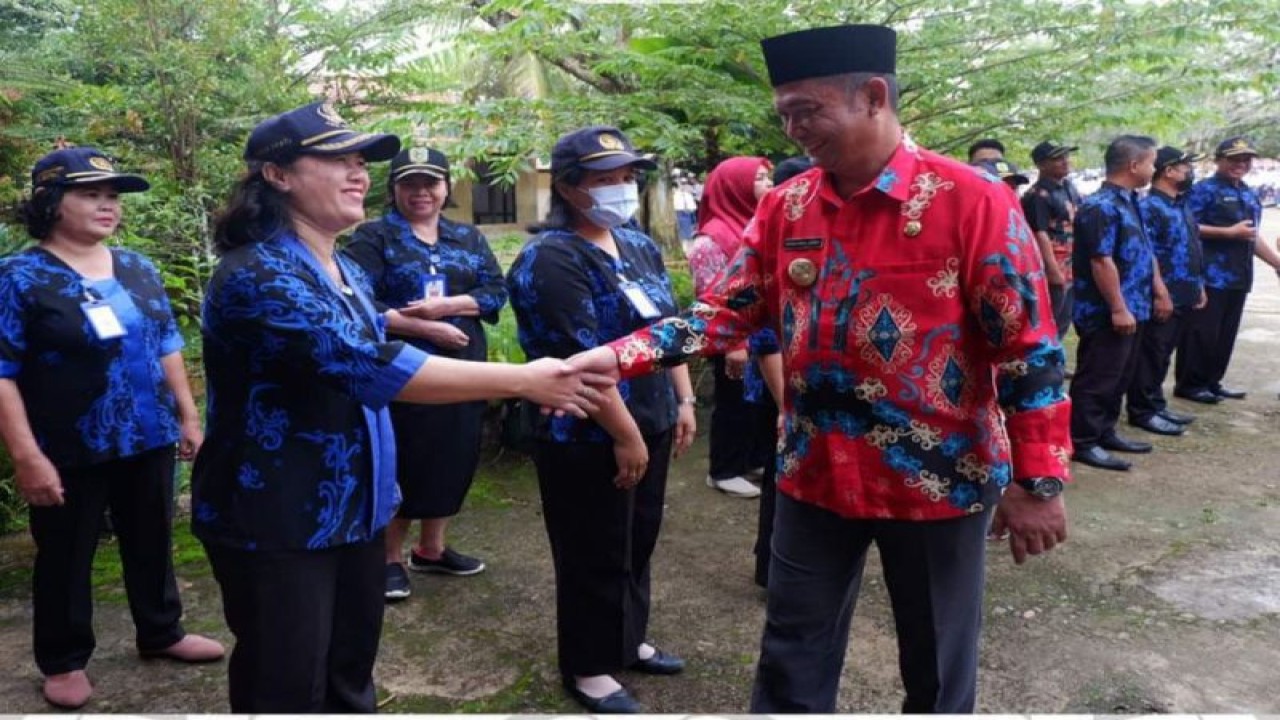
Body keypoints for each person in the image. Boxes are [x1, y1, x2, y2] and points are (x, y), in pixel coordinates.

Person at [569, 25, 1071, 713]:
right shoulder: (786, 205)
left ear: (872, 96)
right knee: (791, 652)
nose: (795, 130)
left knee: (937, 662)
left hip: (937, 480)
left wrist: (1038, 482)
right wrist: (617, 357)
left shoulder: (972, 201)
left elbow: (1028, 348)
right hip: (814, 472)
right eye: (784, 116)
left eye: (807, 111)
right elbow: (727, 312)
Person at [192, 101, 608, 713]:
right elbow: (365, 365)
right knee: (285, 683)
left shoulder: (338, 267)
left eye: (360, 160)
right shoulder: (257, 272)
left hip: (357, 508)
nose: (358, 172)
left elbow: (374, 347)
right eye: (337, 159)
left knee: (349, 674)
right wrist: (523, 378)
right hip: (280, 517)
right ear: (276, 174)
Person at [0, 147, 225, 709]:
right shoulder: (19, 277)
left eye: (112, 197)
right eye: (90, 194)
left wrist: (188, 413)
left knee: (152, 538)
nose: (107, 206)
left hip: (148, 437)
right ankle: (63, 658)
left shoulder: (136, 267)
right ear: (51, 203)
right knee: (66, 553)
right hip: (68, 446)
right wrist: (27, 456)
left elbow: (167, 343)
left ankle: (161, 631)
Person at [506, 125, 697, 714]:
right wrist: (627, 436)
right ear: (567, 187)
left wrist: (682, 399)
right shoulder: (550, 259)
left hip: (653, 416)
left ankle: (625, 640)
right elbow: (577, 361)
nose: (620, 188)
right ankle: (588, 667)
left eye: (626, 177)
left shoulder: (634, 243)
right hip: (588, 433)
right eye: (603, 179)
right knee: (593, 547)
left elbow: (667, 328)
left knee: (637, 540)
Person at [345, 146, 507, 600]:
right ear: (393, 188)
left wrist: (451, 306)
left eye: (430, 183)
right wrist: (421, 326)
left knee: (455, 451)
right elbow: (357, 301)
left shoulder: (467, 238)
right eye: (409, 183)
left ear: (446, 186)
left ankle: (432, 549)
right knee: (406, 454)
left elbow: (496, 290)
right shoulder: (372, 238)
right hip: (403, 368)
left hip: (464, 362)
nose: (421, 192)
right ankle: (389, 557)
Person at [1068, 135, 1169, 472]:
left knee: (1120, 375)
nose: (1154, 169)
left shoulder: (1129, 201)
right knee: (1099, 375)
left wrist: (1156, 291)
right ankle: (1083, 441)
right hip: (1106, 312)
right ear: (1134, 165)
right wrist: (1117, 307)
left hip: (1134, 305)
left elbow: (1142, 251)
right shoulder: (1101, 206)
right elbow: (1101, 261)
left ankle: (1104, 431)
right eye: (1152, 162)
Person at [685, 156, 774, 498]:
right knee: (732, 400)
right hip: (731, 338)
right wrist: (733, 344)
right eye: (760, 178)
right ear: (735, 187)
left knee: (755, 403)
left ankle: (750, 459)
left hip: (760, 337)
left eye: (768, 178)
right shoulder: (712, 239)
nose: (768, 185)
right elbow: (713, 296)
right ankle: (723, 469)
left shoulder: (754, 225)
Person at [1175, 136, 1280, 403]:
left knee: (1225, 334)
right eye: (1234, 159)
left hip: (1238, 276)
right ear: (1218, 160)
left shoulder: (1247, 192)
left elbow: (1251, 236)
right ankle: (1191, 384)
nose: (1241, 164)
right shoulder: (1202, 190)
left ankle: (1212, 380)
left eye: (1246, 159)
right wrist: (1227, 232)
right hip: (1209, 275)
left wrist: (1277, 263)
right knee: (1201, 332)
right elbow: (1185, 227)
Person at [1128, 147, 1206, 435]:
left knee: (1164, 352)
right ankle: (1143, 409)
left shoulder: (1179, 203)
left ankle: (1156, 403)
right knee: (1153, 351)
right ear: (1168, 170)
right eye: (1185, 166)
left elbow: (1190, 246)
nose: (1190, 172)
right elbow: (1148, 255)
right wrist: (1161, 293)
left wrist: (1198, 285)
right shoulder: (1150, 207)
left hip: (1185, 289)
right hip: (1163, 293)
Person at [1023, 140, 1084, 340]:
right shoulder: (1037, 195)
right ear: (1041, 165)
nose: (1065, 162)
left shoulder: (1068, 186)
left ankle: (1056, 364)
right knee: (1050, 318)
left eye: (1066, 156)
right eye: (1057, 158)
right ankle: (1045, 364)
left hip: (1072, 264)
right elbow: (1039, 233)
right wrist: (1052, 270)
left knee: (1066, 318)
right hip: (1053, 266)